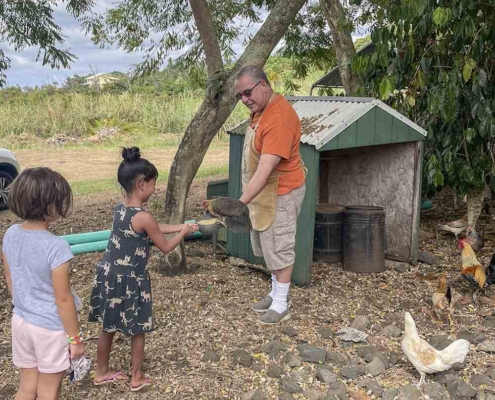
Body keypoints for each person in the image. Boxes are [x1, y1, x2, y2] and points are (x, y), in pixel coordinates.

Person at [88, 147, 198, 392]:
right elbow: (166, 246)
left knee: (108, 326)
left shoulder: (121, 208)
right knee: (138, 329)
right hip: (131, 281)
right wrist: (183, 232)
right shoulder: (144, 217)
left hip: (109, 276)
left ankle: (101, 371)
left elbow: (153, 228)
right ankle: (136, 377)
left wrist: (182, 224)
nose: (155, 188)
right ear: (141, 184)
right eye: (153, 183)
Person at [3, 167, 85, 399]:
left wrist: (26, 304)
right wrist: (75, 339)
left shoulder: (10, 234)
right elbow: (63, 299)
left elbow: (11, 280)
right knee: (49, 391)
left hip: (21, 321)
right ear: (51, 205)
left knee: (26, 387)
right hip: (48, 328)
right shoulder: (56, 247)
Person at [235, 65, 306, 325]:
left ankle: (281, 304)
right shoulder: (261, 110)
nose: (244, 100)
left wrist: (238, 204)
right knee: (269, 246)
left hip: (281, 192)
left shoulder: (279, 119)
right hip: (263, 193)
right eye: (240, 96)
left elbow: (264, 172)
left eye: (247, 93)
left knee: (280, 246)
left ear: (264, 84)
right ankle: (275, 292)